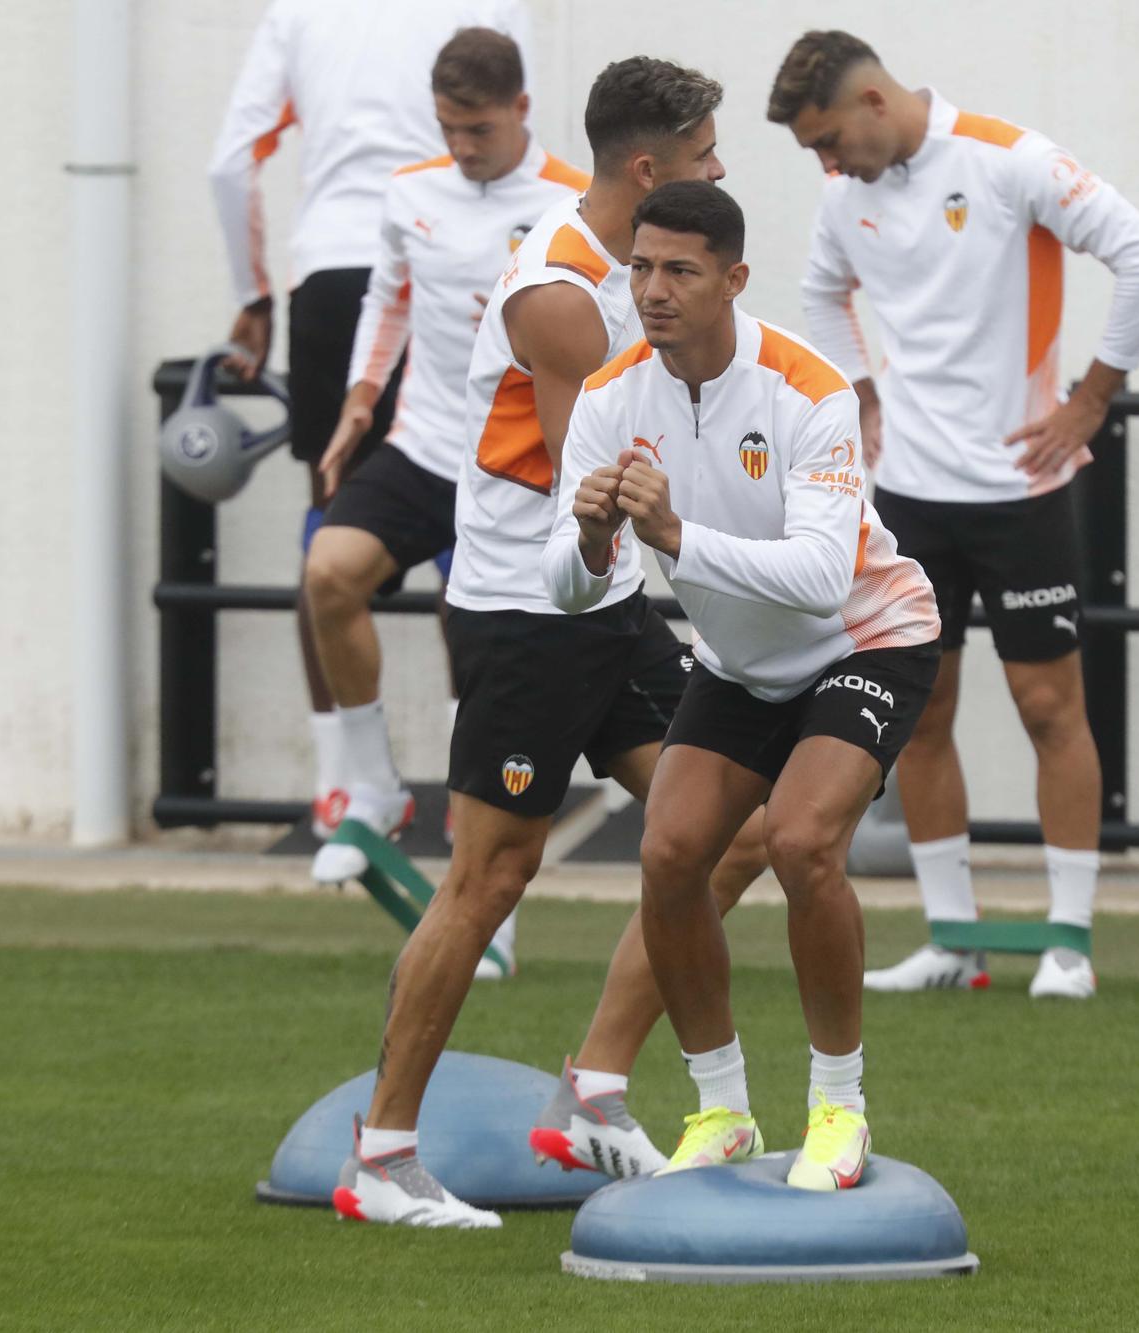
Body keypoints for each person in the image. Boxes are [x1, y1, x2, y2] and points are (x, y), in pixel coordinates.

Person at [333, 57, 759, 1230]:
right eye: (704, 152)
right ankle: (381, 1156)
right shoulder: (563, 294)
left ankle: (595, 1083)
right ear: (647, 167)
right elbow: (600, 486)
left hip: (605, 606)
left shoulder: (637, 273)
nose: (719, 167)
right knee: (489, 877)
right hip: (531, 609)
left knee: (731, 829)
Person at [768, 30, 1139, 999]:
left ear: (873, 102)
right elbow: (818, 295)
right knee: (921, 715)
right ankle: (952, 940)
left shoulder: (1008, 161)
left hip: (1020, 493)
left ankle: (1068, 943)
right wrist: (860, 392)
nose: (827, 167)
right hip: (908, 496)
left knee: (1049, 708)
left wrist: (1089, 400)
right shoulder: (844, 199)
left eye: (829, 141)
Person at [546, 180, 941, 1188]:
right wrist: (592, 538)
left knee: (803, 841)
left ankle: (837, 1110)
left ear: (733, 279)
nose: (652, 290)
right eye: (638, 268)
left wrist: (673, 533)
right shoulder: (608, 395)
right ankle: (721, 1108)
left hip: (862, 641)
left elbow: (818, 582)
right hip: (738, 663)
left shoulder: (807, 389)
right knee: (670, 852)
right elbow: (567, 583)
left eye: (678, 270)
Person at [300, 29, 588, 986]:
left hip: (508, 470)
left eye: (477, 128)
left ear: (519, 112)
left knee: (484, 680)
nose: (462, 145)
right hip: (422, 446)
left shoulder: (570, 206)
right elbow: (388, 302)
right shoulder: (409, 191)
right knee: (329, 574)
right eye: (448, 128)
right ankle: (373, 790)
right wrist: (355, 406)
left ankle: (487, 911)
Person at [207, 0, 529, 841]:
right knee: (455, 549)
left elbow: (233, 163)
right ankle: (464, 795)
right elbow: (515, 127)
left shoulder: (297, 12)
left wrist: (252, 297)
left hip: (334, 275)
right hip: (457, 263)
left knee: (335, 539)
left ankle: (343, 788)